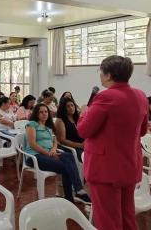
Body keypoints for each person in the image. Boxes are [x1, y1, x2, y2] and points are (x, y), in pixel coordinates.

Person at [77, 55, 148, 230]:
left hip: (105, 169)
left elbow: (83, 130)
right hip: (129, 165)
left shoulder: (106, 97)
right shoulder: (140, 95)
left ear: (108, 75)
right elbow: (143, 131)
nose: (100, 75)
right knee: (127, 215)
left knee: (108, 220)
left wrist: (85, 112)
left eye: (100, 71)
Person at [26, 104, 90, 203]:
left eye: (46, 112)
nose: (44, 114)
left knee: (68, 156)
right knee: (64, 167)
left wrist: (53, 150)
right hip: (35, 156)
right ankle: (70, 196)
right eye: (41, 112)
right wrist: (48, 153)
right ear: (36, 114)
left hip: (49, 154)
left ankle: (78, 190)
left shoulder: (48, 126)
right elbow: (32, 144)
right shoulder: (32, 124)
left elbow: (55, 141)